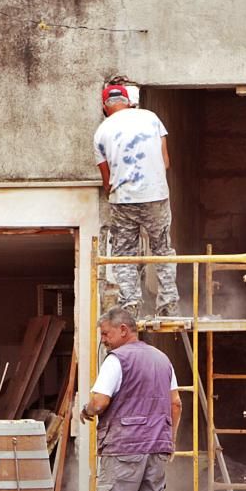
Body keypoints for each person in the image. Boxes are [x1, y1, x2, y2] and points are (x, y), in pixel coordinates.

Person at [80, 307, 182, 491]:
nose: (104, 341)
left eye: (106, 334)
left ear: (123, 330)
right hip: (157, 448)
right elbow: (176, 404)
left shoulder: (117, 360)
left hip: (124, 448)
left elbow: (100, 401)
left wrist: (86, 410)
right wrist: (169, 440)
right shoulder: (162, 359)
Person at [93, 83, 181, 318]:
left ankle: (131, 303)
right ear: (128, 101)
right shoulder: (151, 118)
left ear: (105, 107)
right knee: (162, 249)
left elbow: (107, 181)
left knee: (124, 253)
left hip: (123, 200)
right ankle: (169, 303)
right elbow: (166, 161)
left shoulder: (101, 132)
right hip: (156, 196)